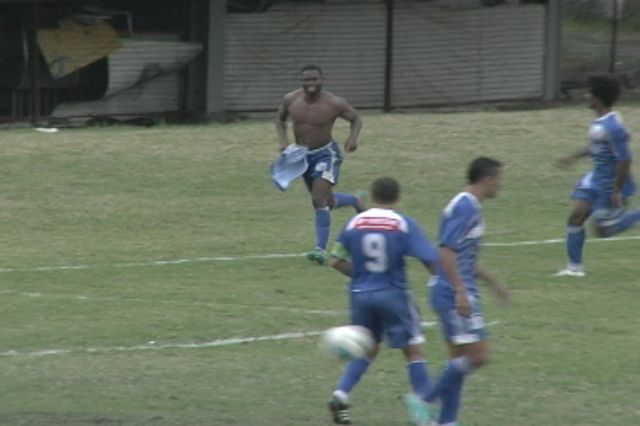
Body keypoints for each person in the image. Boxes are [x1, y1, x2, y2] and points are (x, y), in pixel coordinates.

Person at [327, 177, 440, 426]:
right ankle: (426, 413)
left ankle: (341, 393)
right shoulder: (402, 223)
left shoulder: (355, 221)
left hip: (360, 296)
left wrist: (363, 276)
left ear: (371, 197)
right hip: (393, 294)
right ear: (397, 198)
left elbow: (335, 260)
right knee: (413, 350)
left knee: (367, 347)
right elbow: (430, 259)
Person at [427, 157, 510, 426]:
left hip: (449, 289)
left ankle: (447, 421)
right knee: (478, 356)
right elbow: (446, 251)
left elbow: (464, 258)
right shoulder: (466, 207)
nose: (501, 184)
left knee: (458, 361)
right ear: (487, 179)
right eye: (499, 178)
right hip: (454, 293)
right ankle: (426, 398)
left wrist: (493, 282)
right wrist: (461, 292)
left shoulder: (467, 205)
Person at [276, 64, 364, 265]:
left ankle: (320, 249)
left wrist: (352, 138)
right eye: (306, 80)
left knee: (317, 200)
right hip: (302, 157)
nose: (310, 83)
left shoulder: (334, 103)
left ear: (321, 80)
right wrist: (283, 141)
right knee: (326, 201)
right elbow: (279, 119)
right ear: (302, 82)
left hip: (326, 155)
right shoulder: (291, 99)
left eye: (314, 79)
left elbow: (356, 119)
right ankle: (354, 200)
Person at [555, 74, 640, 277]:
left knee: (602, 230)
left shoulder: (612, 127)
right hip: (594, 180)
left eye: (589, 93)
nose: (586, 96)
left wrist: (616, 189)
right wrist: (572, 157)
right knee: (576, 217)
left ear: (597, 98)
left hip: (608, 184)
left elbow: (625, 159)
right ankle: (574, 268)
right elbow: (596, 147)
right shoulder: (602, 123)